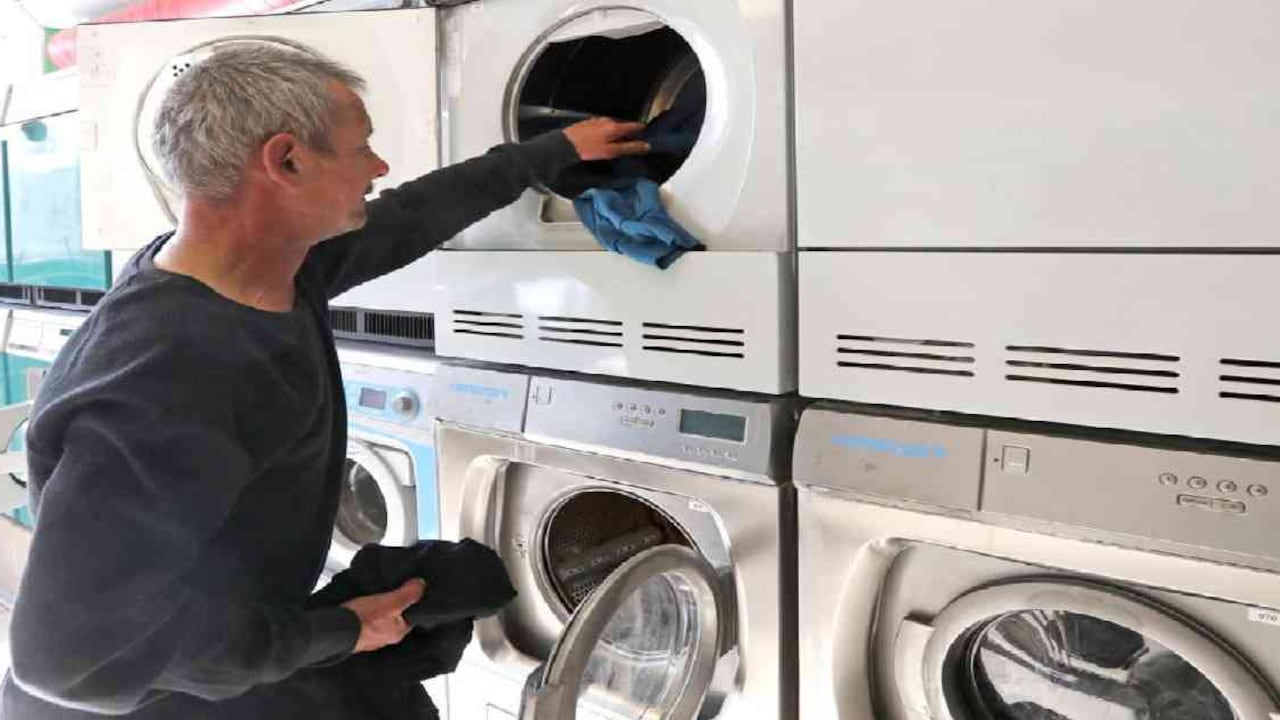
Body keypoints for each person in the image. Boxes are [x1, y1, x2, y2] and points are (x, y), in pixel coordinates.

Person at [1, 43, 648, 719]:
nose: (379, 167)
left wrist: (549, 151)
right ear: (286, 160)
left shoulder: (263, 270)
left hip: (223, 658)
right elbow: (68, 660)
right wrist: (336, 632)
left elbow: (407, 217)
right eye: (362, 147)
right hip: (154, 702)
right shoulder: (174, 375)